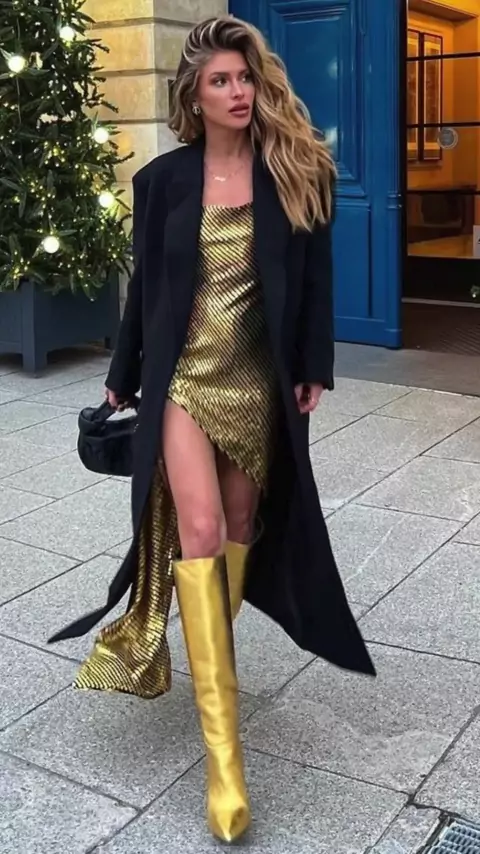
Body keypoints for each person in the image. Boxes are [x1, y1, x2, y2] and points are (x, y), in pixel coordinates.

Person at [49, 15, 375, 844]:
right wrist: (124, 371)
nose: (238, 92)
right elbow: (146, 289)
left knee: (235, 529)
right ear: (193, 96)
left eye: (245, 78)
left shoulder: (296, 172)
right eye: (220, 81)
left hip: (256, 384)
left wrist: (314, 362)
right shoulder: (162, 181)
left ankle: (205, 662)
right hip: (184, 384)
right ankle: (225, 764)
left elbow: (315, 282)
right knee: (196, 531)